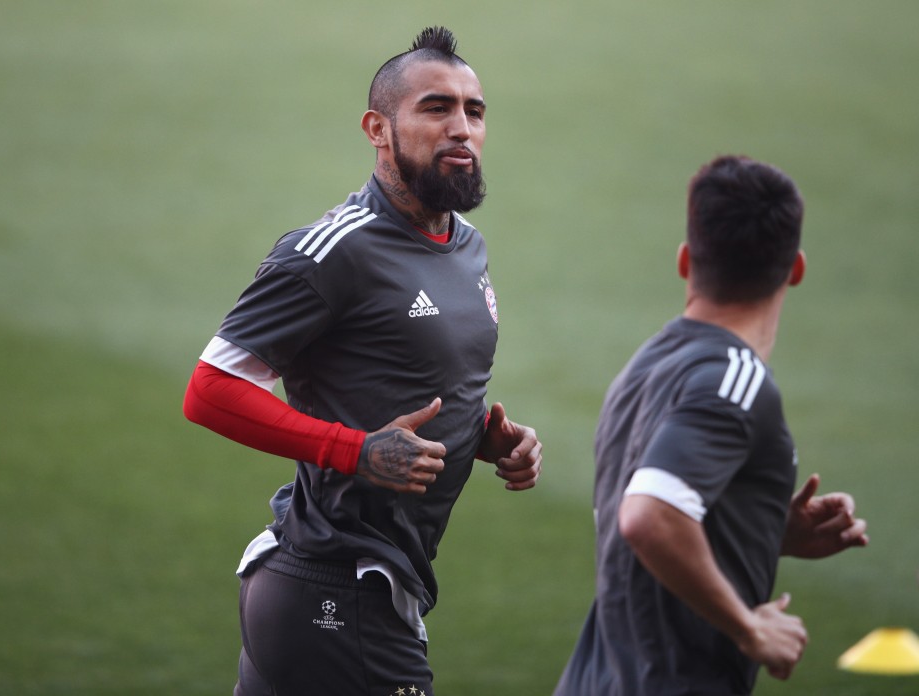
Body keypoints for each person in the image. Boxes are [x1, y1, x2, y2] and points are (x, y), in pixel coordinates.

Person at [183, 26, 543, 696]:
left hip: (353, 589)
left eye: (475, 110)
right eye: (436, 108)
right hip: (338, 590)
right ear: (378, 128)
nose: (462, 127)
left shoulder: (467, 246)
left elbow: (411, 375)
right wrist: (355, 451)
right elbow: (208, 390)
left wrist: (484, 439)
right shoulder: (331, 251)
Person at [553, 155, 869, 695]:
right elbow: (649, 517)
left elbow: (652, 521)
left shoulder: (644, 368)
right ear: (796, 268)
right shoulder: (735, 380)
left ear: (685, 261)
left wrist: (761, 533)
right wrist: (749, 628)